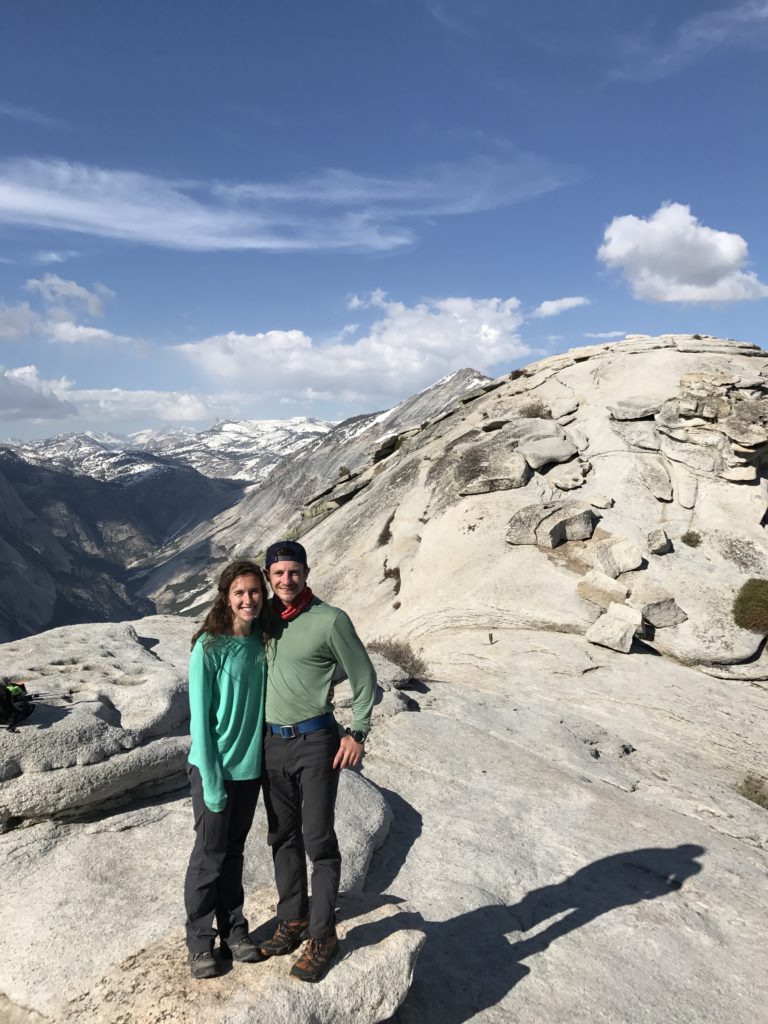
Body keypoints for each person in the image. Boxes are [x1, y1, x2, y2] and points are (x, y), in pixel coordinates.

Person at [258, 539, 377, 983]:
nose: (286, 580)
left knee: (317, 840)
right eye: (278, 573)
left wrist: (358, 731)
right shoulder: (263, 618)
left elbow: (365, 677)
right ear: (269, 577)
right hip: (270, 744)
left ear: (306, 573)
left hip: (315, 741)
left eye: (293, 572)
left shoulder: (330, 620)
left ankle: (324, 935)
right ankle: (294, 918)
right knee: (281, 836)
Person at [183, 559, 271, 980]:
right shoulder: (209, 647)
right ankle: (200, 943)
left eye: (254, 591)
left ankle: (234, 930)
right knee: (209, 856)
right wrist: (212, 780)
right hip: (214, 769)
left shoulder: (262, 641)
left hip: (250, 771)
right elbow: (199, 720)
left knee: (233, 854)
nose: (248, 600)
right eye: (239, 592)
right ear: (226, 596)